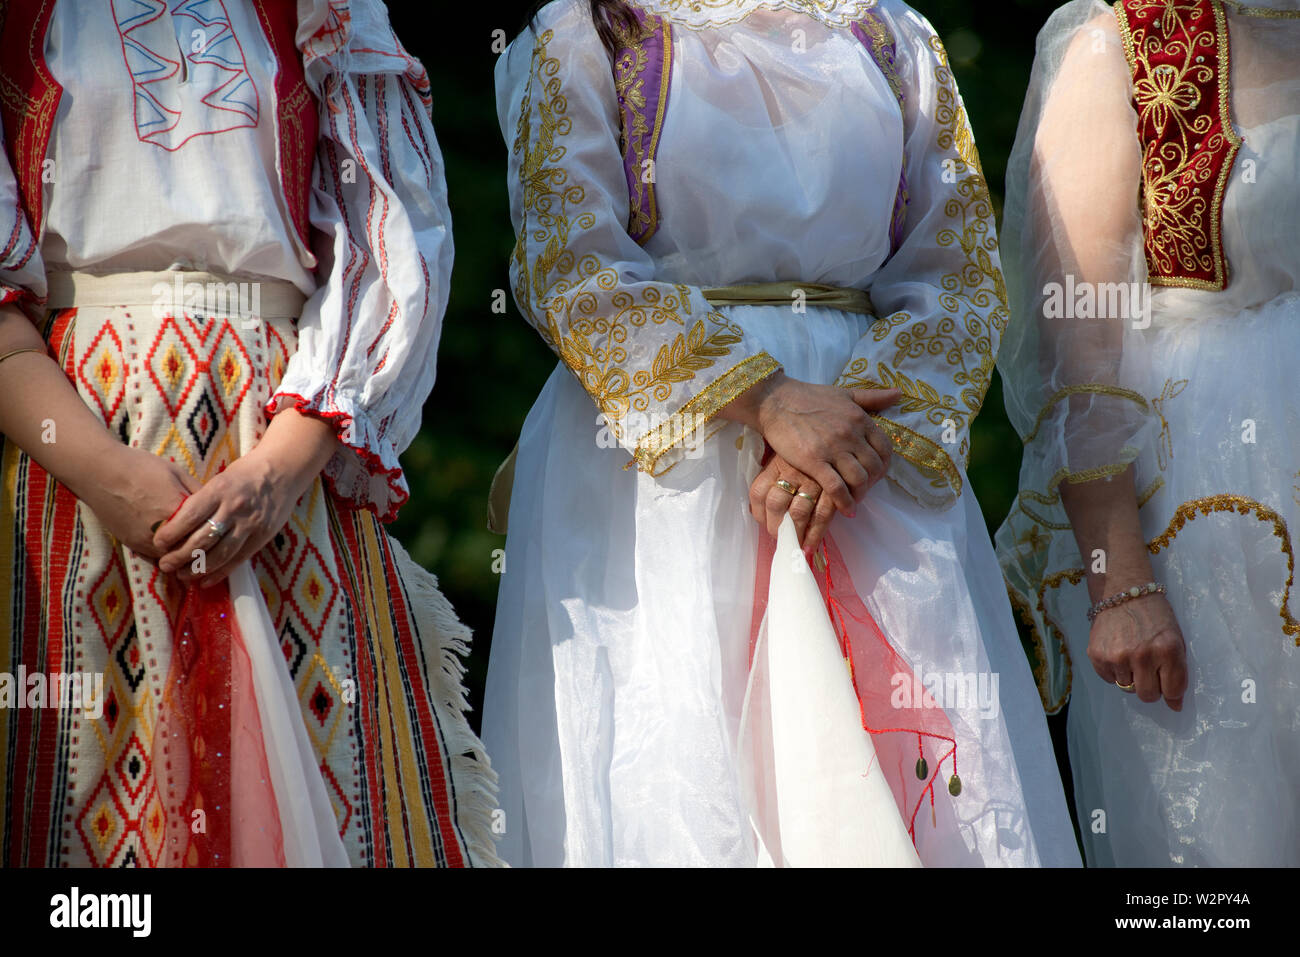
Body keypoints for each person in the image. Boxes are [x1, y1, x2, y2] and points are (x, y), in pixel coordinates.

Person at [485, 0, 1079, 866]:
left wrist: (849, 445)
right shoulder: (587, 32)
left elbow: (958, 270)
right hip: (661, 458)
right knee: (686, 748)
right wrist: (765, 400)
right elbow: (568, 260)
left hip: (868, 443)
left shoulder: (894, 34)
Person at [0, 0, 499, 867]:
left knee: (324, 780)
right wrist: (104, 470)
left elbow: (389, 242)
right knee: (90, 797)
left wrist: (279, 468)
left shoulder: (322, 11)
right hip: (79, 451)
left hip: (283, 440)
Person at [996, 0, 1300, 865]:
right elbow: (1078, 355)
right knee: (1220, 854)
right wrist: (1119, 582)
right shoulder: (1128, 47)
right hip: (1209, 535)